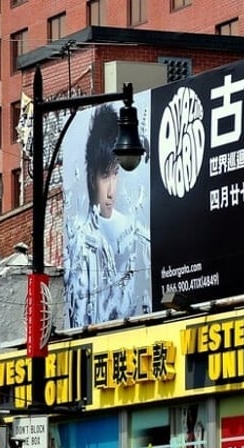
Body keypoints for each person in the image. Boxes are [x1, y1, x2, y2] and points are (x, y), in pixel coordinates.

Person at [65, 103, 149, 328]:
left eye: (116, 174)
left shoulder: (136, 235)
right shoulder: (79, 240)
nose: (111, 189)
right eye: (105, 175)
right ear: (92, 177)